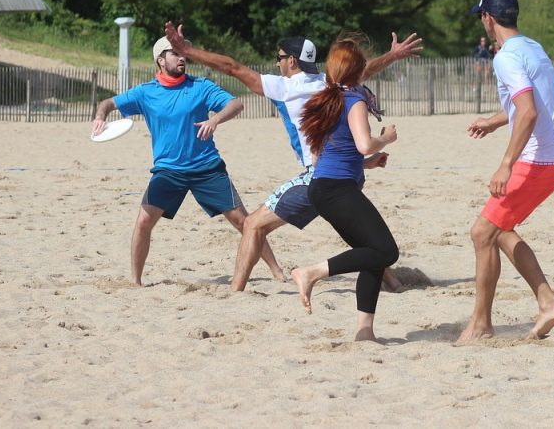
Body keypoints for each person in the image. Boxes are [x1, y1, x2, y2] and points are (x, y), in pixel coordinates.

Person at [163, 22, 422, 290]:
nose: (277, 64)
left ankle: (234, 292)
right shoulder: (330, 82)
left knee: (253, 225)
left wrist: (189, 51)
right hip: (349, 173)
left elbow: (232, 67)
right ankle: (394, 283)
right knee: (363, 236)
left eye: (280, 58)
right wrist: (391, 56)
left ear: (292, 61)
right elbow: (363, 69)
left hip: (319, 178)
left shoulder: (284, 88)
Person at [91, 36, 284, 286]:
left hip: (207, 168)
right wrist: (99, 117)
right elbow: (107, 103)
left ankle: (276, 270)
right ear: (160, 60)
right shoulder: (146, 93)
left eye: (183, 53)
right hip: (168, 171)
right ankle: (136, 282)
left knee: (244, 222)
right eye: (174, 53)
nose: (182, 57)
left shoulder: (200, 86)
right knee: (143, 222)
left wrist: (215, 120)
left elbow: (236, 104)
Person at [458, 0, 554, 342]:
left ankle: (481, 325)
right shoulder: (532, 46)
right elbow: (531, 104)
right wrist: (494, 121)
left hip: (540, 159)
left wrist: (506, 164)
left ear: (488, 18)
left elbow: (528, 112)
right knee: (500, 227)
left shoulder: (506, 57)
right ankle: (547, 303)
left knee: (482, 233)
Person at [290, 36, 400, 342]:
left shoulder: (326, 100)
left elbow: (322, 157)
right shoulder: (354, 100)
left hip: (323, 189)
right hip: (337, 191)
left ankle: (365, 332)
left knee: (372, 254)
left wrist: (367, 164)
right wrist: (386, 139)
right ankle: (310, 272)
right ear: (360, 71)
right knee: (387, 251)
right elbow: (364, 143)